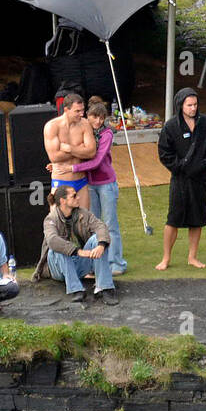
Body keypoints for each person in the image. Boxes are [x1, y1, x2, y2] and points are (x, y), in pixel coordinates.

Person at [156, 87, 206, 270]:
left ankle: (192, 257)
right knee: (173, 219)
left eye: (195, 104)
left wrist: (205, 164)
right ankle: (166, 258)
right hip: (180, 179)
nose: (193, 108)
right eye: (189, 105)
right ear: (181, 105)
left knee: (197, 218)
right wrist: (179, 168)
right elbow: (164, 153)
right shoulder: (170, 127)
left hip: (200, 178)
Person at [71, 98, 127, 277]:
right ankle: (95, 265)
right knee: (94, 226)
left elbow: (96, 161)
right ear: (88, 116)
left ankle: (117, 263)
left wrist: (73, 168)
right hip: (90, 185)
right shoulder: (84, 130)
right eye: (95, 117)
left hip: (106, 184)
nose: (98, 121)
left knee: (110, 224)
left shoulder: (107, 134)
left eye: (102, 118)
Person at [38, 185, 118, 305]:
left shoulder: (83, 213)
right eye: (74, 196)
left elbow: (100, 226)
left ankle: (104, 288)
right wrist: (78, 251)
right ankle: (76, 290)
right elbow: (53, 240)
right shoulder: (51, 219)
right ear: (62, 201)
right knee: (59, 248)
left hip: (80, 263)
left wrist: (101, 245)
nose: (78, 197)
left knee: (98, 239)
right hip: (58, 269)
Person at [44, 92, 97, 192]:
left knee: (84, 209)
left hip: (81, 180)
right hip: (61, 181)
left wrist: (69, 149)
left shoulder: (85, 124)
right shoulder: (52, 126)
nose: (81, 114)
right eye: (77, 111)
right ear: (66, 110)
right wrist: (81, 149)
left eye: (82, 110)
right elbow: (54, 157)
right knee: (59, 208)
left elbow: (91, 152)